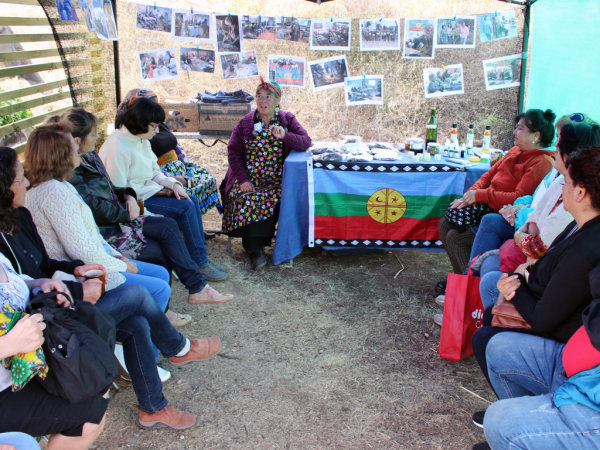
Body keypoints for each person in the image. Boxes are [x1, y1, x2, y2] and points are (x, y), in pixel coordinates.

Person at [0, 145, 223, 430]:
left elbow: (42, 266)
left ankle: (154, 408)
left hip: (59, 306)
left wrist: (75, 269)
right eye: (20, 179)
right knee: (137, 294)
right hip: (43, 327)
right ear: (5, 188)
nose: (28, 183)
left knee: (137, 324)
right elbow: (19, 296)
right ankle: (178, 348)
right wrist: (78, 291)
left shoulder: (20, 217)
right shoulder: (31, 210)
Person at [61, 109, 233, 320]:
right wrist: (135, 208)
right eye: (94, 134)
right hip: (112, 226)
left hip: (126, 212)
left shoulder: (90, 156)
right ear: (77, 140)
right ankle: (175, 301)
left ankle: (196, 286)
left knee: (173, 221)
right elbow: (94, 206)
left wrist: (137, 194)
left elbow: (113, 187)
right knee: (165, 240)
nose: (98, 138)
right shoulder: (83, 165)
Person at [471, 146, 600, 388]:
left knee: (485, 338)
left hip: (564, 337)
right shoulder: (583, 227)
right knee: (491, 315)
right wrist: (523, 276)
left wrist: (514, 287)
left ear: (580, 192)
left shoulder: (584, 250)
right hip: (554, 312)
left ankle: (520, 408)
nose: (562, 189)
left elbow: (543, 320)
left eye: (567, 183)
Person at [23, 123, 178, 322]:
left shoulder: (61, 185)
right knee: (160, 288)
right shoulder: (53, 193)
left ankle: (149, 328)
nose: (77, 149)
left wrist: (117, 257)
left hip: (99, 261)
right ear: (60, 155)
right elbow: (82, 253)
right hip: (85, 274)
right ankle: (154, 334)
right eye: (72, 146)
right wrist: (122, 266)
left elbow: (91, 234)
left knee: (160, 273)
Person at [472, 263, 600, 449]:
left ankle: (518, 433)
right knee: (498, 347)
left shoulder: (590, 244)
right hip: (579, 375)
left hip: (589, 398)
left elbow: (544, 317)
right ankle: (523, 432)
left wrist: (519, 282)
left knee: (499, 419)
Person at [99, 97, 228, 282]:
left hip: (148, 192)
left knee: (191, 200)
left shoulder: (139, 138)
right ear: (140, 122)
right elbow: (119, 193)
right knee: (187, 207)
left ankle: (201, 259)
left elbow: (155, 172)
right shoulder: (117, 147)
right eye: (153, 126)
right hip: (137, 202)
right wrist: (150, 207)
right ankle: (199, 262)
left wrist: (175, 185)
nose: (157, 131)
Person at [477, 121, 600, 308]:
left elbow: (539, 247)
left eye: (559, 145)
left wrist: (520, 233)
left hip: (540, 271)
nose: (555, 149)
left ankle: (494, 321)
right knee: (484, 230)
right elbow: (534, 217)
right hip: (532, 258)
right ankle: (468, 293)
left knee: (490, 276)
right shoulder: (559, 180)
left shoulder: (574, 193)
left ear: (571, 153)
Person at [0, 252, 107, 449]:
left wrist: (40, 284)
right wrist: (8, 345)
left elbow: (13, 279)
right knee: (89, 414)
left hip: (26, 367)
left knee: (93, 384)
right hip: (5, 387)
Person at [437, 109, 556, 277]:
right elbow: (489, 175)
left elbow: (517, 198)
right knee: (444, 224)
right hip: (487, 206)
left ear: (535, 136)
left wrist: (480, 196)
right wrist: (471, 194)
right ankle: (460, 283)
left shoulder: (542, 162)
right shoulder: (516, 150)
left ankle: (468, 282)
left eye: (520, 128)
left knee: (456, 238)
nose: (515, 132)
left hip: (503, 216)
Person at [219, 77, 312, 270]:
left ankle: (260, 246)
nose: (262, 101)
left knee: (273, 196)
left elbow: (305, 142)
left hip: (277, 179)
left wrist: (285, 136)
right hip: (248, 177)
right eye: (259, 97)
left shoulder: (287, 120)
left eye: (267, 97)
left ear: (278, 100)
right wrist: (243, 179)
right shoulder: (245, 122)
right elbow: (233, 152)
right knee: (246, 196)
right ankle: (255, 250)